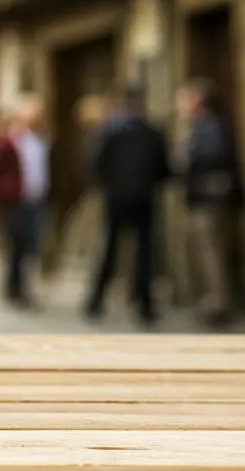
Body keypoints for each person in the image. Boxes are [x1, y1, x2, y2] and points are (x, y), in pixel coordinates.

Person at [83, 85, 170, 327]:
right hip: (144, 198)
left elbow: (95, 163)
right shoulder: (152, 132)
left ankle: (95, 300)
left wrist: (109, 185)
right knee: (145, 252)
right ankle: (145, 306)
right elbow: (164, 168)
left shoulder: (109, 131)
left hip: (116, 198)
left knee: (109, 248)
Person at [179, 78, 245, 327]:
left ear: (198, 100)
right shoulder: (205, 125)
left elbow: (212, 157)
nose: (182, 104)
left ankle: (218, 304)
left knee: (211, 254)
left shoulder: (209, 126)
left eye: (186, 98)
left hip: (209, 202)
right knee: (211, 253)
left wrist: (187, 159)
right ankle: (215, 302)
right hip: (208, 200)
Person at [0, 96, 47, 308]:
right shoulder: (7, 143)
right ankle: (13, 288)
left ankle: (20, 287)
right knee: (16, 247)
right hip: (13, 203)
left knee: (29, 247)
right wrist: (1, 198)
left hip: (34, 200)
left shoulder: (37, 142)